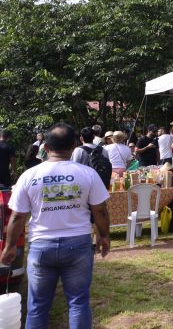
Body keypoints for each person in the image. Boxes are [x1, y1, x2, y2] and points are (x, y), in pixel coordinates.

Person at [0, 123, 110, 329]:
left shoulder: (29, 176)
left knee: (38, 306)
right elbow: (101, 211)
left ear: (47, 147)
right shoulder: (88, 173)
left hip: (41, 246)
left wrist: (9, 246)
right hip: (78, 245)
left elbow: (17, 217)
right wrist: (104, 237)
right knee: (78, 302)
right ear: (74, 146)